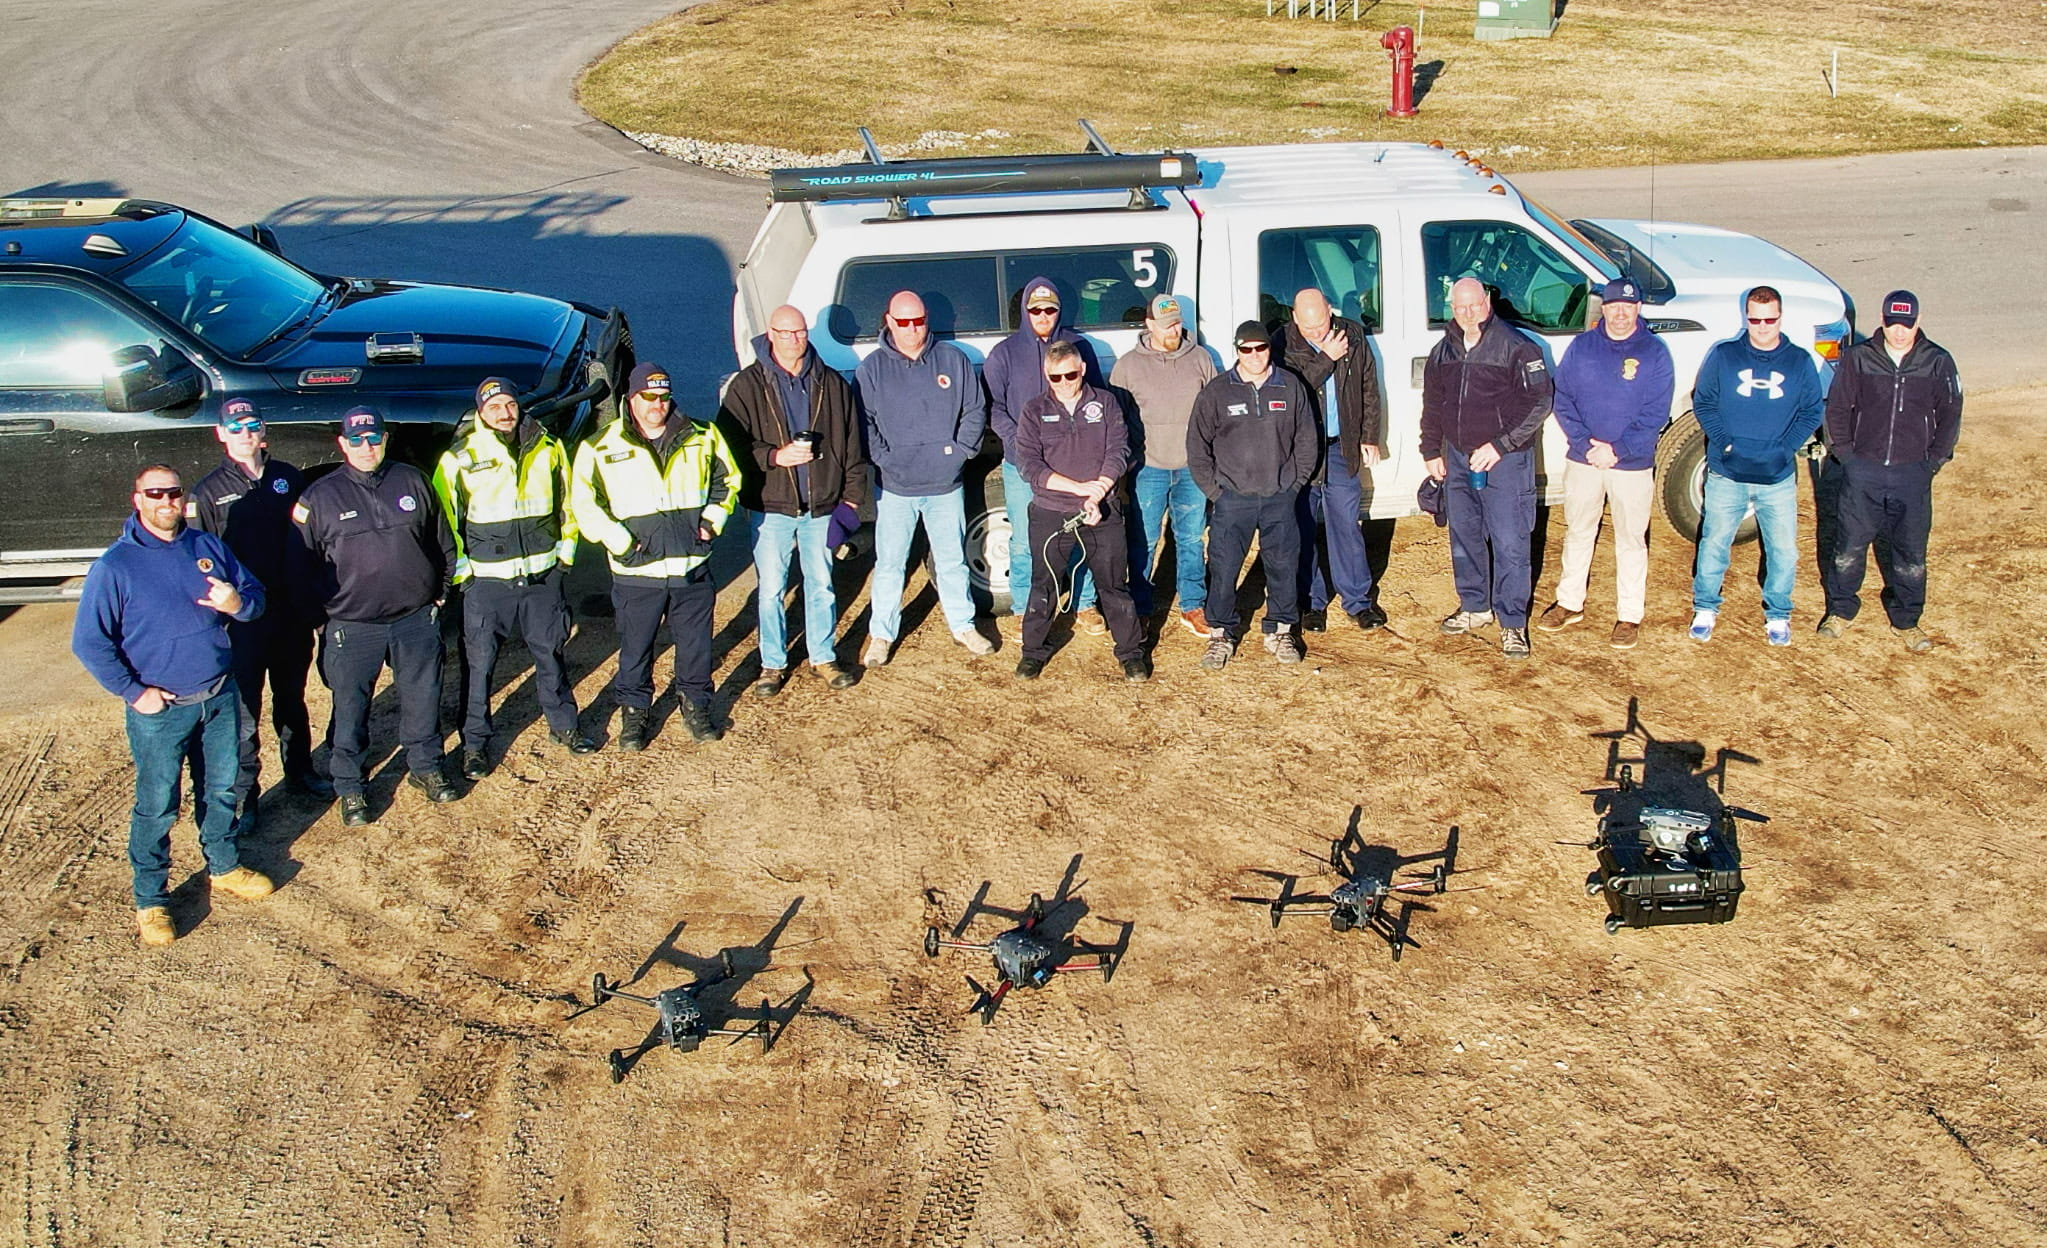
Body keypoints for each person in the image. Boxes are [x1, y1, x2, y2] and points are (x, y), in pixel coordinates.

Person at [73, 465, 271, 947]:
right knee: (158, 806)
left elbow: (255, 597)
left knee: (222, 788)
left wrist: (236, 605)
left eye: (173, 492)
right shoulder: (115, 566)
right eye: (154, 493)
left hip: (220, 695)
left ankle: (223, 866)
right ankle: (151, 899)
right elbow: (90, 643)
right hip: (162, 710)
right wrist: (134, 692)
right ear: (136, 499)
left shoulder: (207, 548)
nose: (166, 501)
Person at [295, 406, 461, 826]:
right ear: (342, 443)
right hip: (353, 626)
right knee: (350, 708)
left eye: (373, 438)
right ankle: (350, 787)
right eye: (356, 440)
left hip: (414, 617)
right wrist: (324, 619)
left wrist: (439, 594)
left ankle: (425, 767)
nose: (366, 447)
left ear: (385, 439)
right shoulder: (319, 496)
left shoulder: (412, 480)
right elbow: (300, 564)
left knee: (424, 697)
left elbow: (443, 541)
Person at [432, 377, 597, 780]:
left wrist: (565, 557)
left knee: (551, 655)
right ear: (480, 413)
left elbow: (568, 505)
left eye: (510, 404)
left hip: (543, 578)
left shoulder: (548, 446)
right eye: (494, 407)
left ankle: (565, 726)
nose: (505, 413)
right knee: (479, 665)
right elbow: (444, 524)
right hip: (487, 586)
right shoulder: (458, 458)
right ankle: (474, 744)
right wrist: (464, 575)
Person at [570, 362, 740, 748]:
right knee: (635, 648)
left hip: (690, 568)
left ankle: (696, 705)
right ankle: (635, 714)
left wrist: (711, 524)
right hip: (637, 573)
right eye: (648, 397)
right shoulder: (599, 447)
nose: (657, 405)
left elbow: (728, 481)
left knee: (696, 645)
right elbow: (584, 503)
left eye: (663, 397)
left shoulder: (703, 435)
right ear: (631, 400)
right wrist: (622, 543)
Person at [186, 398, 333, 835]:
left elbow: (308, 538)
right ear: (221, 435)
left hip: (289, 611)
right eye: (236, 427)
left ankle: (300, 771)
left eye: (251, 425)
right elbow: (201, 559)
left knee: (292, 698)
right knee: (244, 711)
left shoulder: (288, 477)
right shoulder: (207, 492)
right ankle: (246, 795)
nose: (245, 433)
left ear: (262, 431)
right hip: (243, 620)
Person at [717, 305, 867, 695]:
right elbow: (728, 444)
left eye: (800, 332)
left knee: (821, 584)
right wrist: (774, 456)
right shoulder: (747, 386)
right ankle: (772, 663)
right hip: (771, 507)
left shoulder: (831, 384)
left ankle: (823, 656)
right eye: (786, 333)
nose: (795, 340)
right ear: (771, 333)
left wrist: (851, 500)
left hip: (821, 507)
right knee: (770, 589)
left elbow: (852, 445)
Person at [854, 290, 996, 666]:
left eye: (919, 321)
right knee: (890, 563)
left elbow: (975, 410)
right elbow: (864, 422)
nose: (912, 329)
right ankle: (881, 635)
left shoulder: (953, 360)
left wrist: (960, 453)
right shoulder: (872, 369)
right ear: (888, 321)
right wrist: (885, 459)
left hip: (945, 485)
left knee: (952, 560)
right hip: (895, 487)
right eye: (904, 322)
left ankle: (964, 625)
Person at [1818, 290, 1962, 653]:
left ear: (1918, 321)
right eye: (1893, 324)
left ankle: (1907, 619)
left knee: (1911, 553)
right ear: (1882, 320)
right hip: (1862, 472)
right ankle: (1840, 611)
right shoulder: (1859, 359)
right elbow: (1837, 409)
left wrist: (1933, 461)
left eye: (1907, 325)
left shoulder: (1937, 362)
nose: (1900, 332)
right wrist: (1847, 457)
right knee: (1848, 548)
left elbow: (1950, 415)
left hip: (1912, 475)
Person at [1537, 279, 1675, 650]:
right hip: (1585, 459)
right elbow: (1561, 397)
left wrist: (1618, 450)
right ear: (1605, 308)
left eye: (1628, 307)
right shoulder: (1582, 346)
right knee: (1579, 530)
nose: (1620, 313)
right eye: (1614, 306)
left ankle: (1629, 615)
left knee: (1630, 539)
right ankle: (1569, 602)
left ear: (1638, 309)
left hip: (1631, 463)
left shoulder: (1655, 353)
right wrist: (1585, 444)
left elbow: (1655, 413)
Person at [1421, 278, 1553, 660]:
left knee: (1511, 542)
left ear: (1488, 301)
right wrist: (1431, 449)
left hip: (1505, 461)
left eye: (1474, 306)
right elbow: (1433, 403)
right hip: (1458, 458)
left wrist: (1501, 445)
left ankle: (1512, 623)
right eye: (1460, 308)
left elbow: (1539, 402)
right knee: (1464, 536)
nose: (1467, 314)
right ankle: (1475, 606)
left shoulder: (1518, 347)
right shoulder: (1443, 350)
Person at [1688, 285, 1825, 645]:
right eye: (1755, 319)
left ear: (1781, 318)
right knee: (1715, 541)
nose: (1763, 326)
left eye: (1770, 319)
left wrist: (1786, 448)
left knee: (1783, 549)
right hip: (1728, 471)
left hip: (1776, 475)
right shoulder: (1725, 355)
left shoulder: (1799, 361)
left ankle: (1778, 614)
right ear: (1745, 318)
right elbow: (1703, 402)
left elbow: (1812, 410)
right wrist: (1726, 442)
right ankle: (1705, 606)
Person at [1011, 341, 1149, 682]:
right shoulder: (1033, 410)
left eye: (1071, 374)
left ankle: (1131, 653)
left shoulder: (1106, 403)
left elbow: (1119, 449)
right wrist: (1078, 490)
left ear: (1082, 370)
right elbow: (1028, 464)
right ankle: (1033, 651)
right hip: (1050, 512)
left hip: (1102, 509)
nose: (1064, 382)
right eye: (1055, 377)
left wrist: (1098, 491)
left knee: (1114, 585)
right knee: (1043, 584)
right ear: (1047, 375)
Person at [1187, 320, 1318, 669]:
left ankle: (1281, 629)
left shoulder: (1290, 386)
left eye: (1261, 348)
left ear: (1268, 349)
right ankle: (1221, 633)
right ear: (1237, 351)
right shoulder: (1217, 391)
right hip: (1233, 499)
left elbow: (1307, 439)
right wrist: (1217, 492)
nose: (1255, 355)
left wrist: (1293, 485)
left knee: (1283, 565)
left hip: (1280, 496)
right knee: (1224, 567)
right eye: (1247, 349)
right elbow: (1197, 446)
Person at [982, 278, 1103, 626]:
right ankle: (1025, 607)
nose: (1043, 315)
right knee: (1023, 541)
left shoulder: (1079, 347)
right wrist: (1020, 442)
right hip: (1022, 465)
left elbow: (1096, 400)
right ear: (1025, 311)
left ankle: (1084, 603)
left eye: (1050, 309)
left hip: (1074, 464)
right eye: (1035, 309)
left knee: (1081, 533)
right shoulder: (1004, 354)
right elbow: (993, 407)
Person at [1282, 288, 1388, 633]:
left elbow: (1369, 386)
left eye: (1322, 323)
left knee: (1346, 524)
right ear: (1295, 318)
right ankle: (1313, 602)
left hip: (1341, 448)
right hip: (1300, 452)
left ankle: (1358, 601)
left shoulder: (1351, 333)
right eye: (1309, 327)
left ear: (1330, 310)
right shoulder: (1281, 343)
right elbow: (1291, 392)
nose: (1317, 332)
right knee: (1303, 527)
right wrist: (1325, 357)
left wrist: (1369, 435)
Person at [1111, 293, 1216, 636]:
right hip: (1149, 468)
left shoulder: (1201, 359)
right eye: (1167, 324)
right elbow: (1116, 421)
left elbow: (1216, 412)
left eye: (1178, 323)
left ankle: (1193, 605)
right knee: (1144, 540)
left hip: (1191, 468)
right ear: (1149, 324)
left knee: (1189, 539)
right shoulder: (1127, 366)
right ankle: (1140, 607)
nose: (1174, 330)